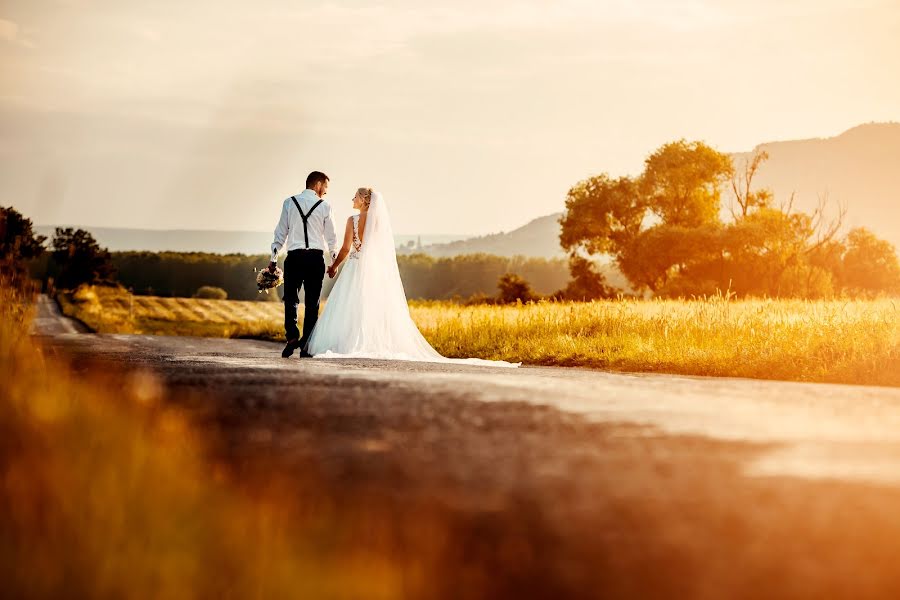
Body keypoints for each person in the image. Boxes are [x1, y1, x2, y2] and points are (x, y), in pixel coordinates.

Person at [304, 187, 519, 368]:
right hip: (374, 270)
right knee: (372, 305)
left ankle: (347, 342)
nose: (352, 199)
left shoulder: (352, 220)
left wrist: (333, 266)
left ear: (363, 200)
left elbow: (345, 248)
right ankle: (370, 341)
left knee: (349, 304)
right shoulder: (379, 222)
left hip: (354, 267)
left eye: (355, 197)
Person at [269, 171, 338, 358]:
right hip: (315, 259)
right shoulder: (325, 206)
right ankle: (307, 344)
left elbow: (280, 233)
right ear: (317, 184)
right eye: (326, 187)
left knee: (290, 299)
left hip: (294, 258)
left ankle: (292, 336)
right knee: (312, 303)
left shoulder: (289, 202)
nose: (326, 191)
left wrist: (273, 259)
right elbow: (332, 238)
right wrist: (334, 261)